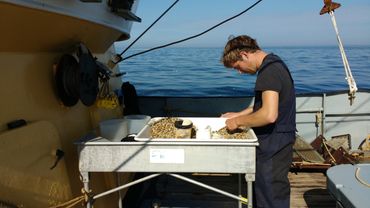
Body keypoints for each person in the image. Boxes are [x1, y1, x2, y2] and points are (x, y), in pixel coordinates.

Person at [220, 35, 296, 208]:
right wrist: (238, 114)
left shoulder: (268, 72)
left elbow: (269, 115)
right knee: (265, 192)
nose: (239, 72)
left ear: (245, 55)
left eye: (237, 66)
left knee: (271, 196)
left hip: (274, 144)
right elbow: (263, 106)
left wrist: (238, 121)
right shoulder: (274, 64)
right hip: (277, 141)